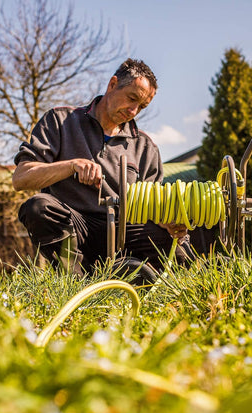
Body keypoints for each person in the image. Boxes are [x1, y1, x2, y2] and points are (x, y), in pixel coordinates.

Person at [12, 58, 191, 276]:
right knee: (38, 207)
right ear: (113, 84)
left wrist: (168, 222)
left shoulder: (145, 147)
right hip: (72, 225)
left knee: (175, 244)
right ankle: (75, 283)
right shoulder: (60, 121)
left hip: (122, 231)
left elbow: (154, 205)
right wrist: (71, 165)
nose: (134, 111)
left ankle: (138, 278)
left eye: (142, 106)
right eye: (132, 98)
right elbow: (21, 178)